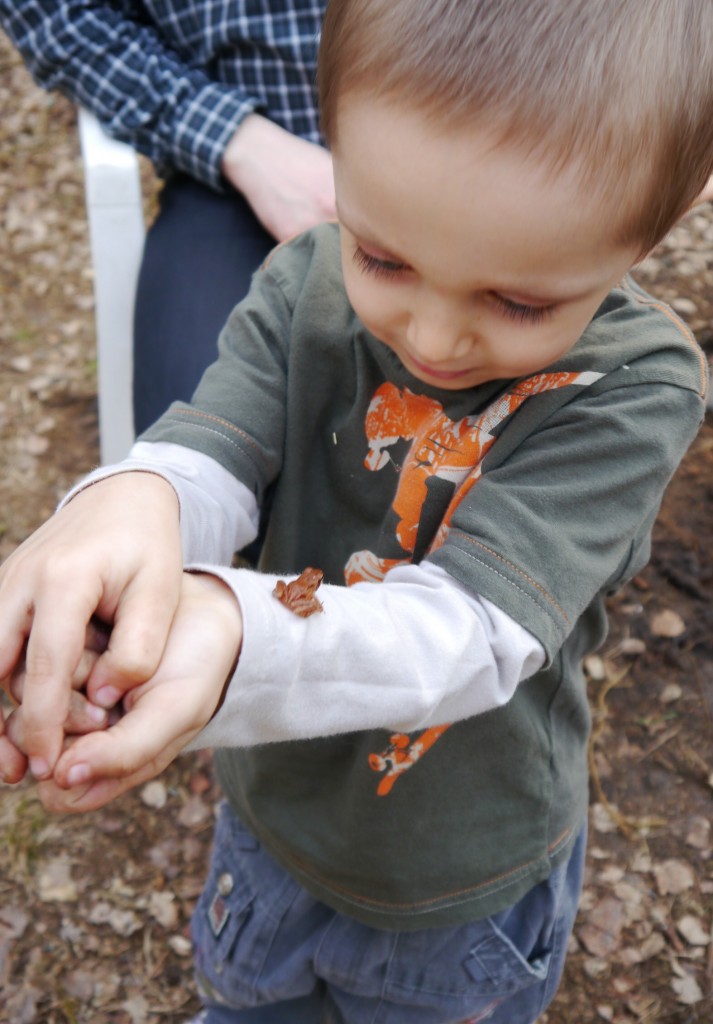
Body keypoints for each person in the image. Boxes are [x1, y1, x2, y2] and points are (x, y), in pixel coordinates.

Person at [1, 0, 713, 1021]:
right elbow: (220, 443)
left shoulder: (633, 391)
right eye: (380, 256)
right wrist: (135, 498)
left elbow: (464, 632)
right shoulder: (304, 278)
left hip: (458, 880)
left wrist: (235, 632)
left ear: (672, 204)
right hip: (274, 820)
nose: (432, 333)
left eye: (516, 303)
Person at [0, 0, 333, 433]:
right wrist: (233, 137)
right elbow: (53, 15)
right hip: (238, 173)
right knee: (192, 427)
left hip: (441, 146)